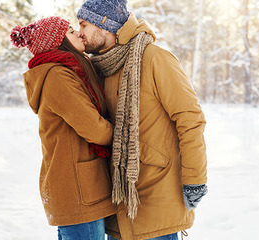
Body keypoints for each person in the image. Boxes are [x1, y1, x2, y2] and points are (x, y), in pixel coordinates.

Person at [77, 1, 208, 239]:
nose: (80, 33)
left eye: (83, 24)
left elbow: (190, 120)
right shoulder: (101, 68)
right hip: (117, 207)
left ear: (104, 24)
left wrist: (195, 180)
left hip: (157, 203)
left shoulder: (155, 58)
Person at [10, 16, 117, 240]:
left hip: (82, 186)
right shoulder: (58, 76)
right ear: (57, 43)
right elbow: (94, 128)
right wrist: (123, 135)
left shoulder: (71, 70)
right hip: (77, 189)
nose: (79, 33)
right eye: (70, 32)